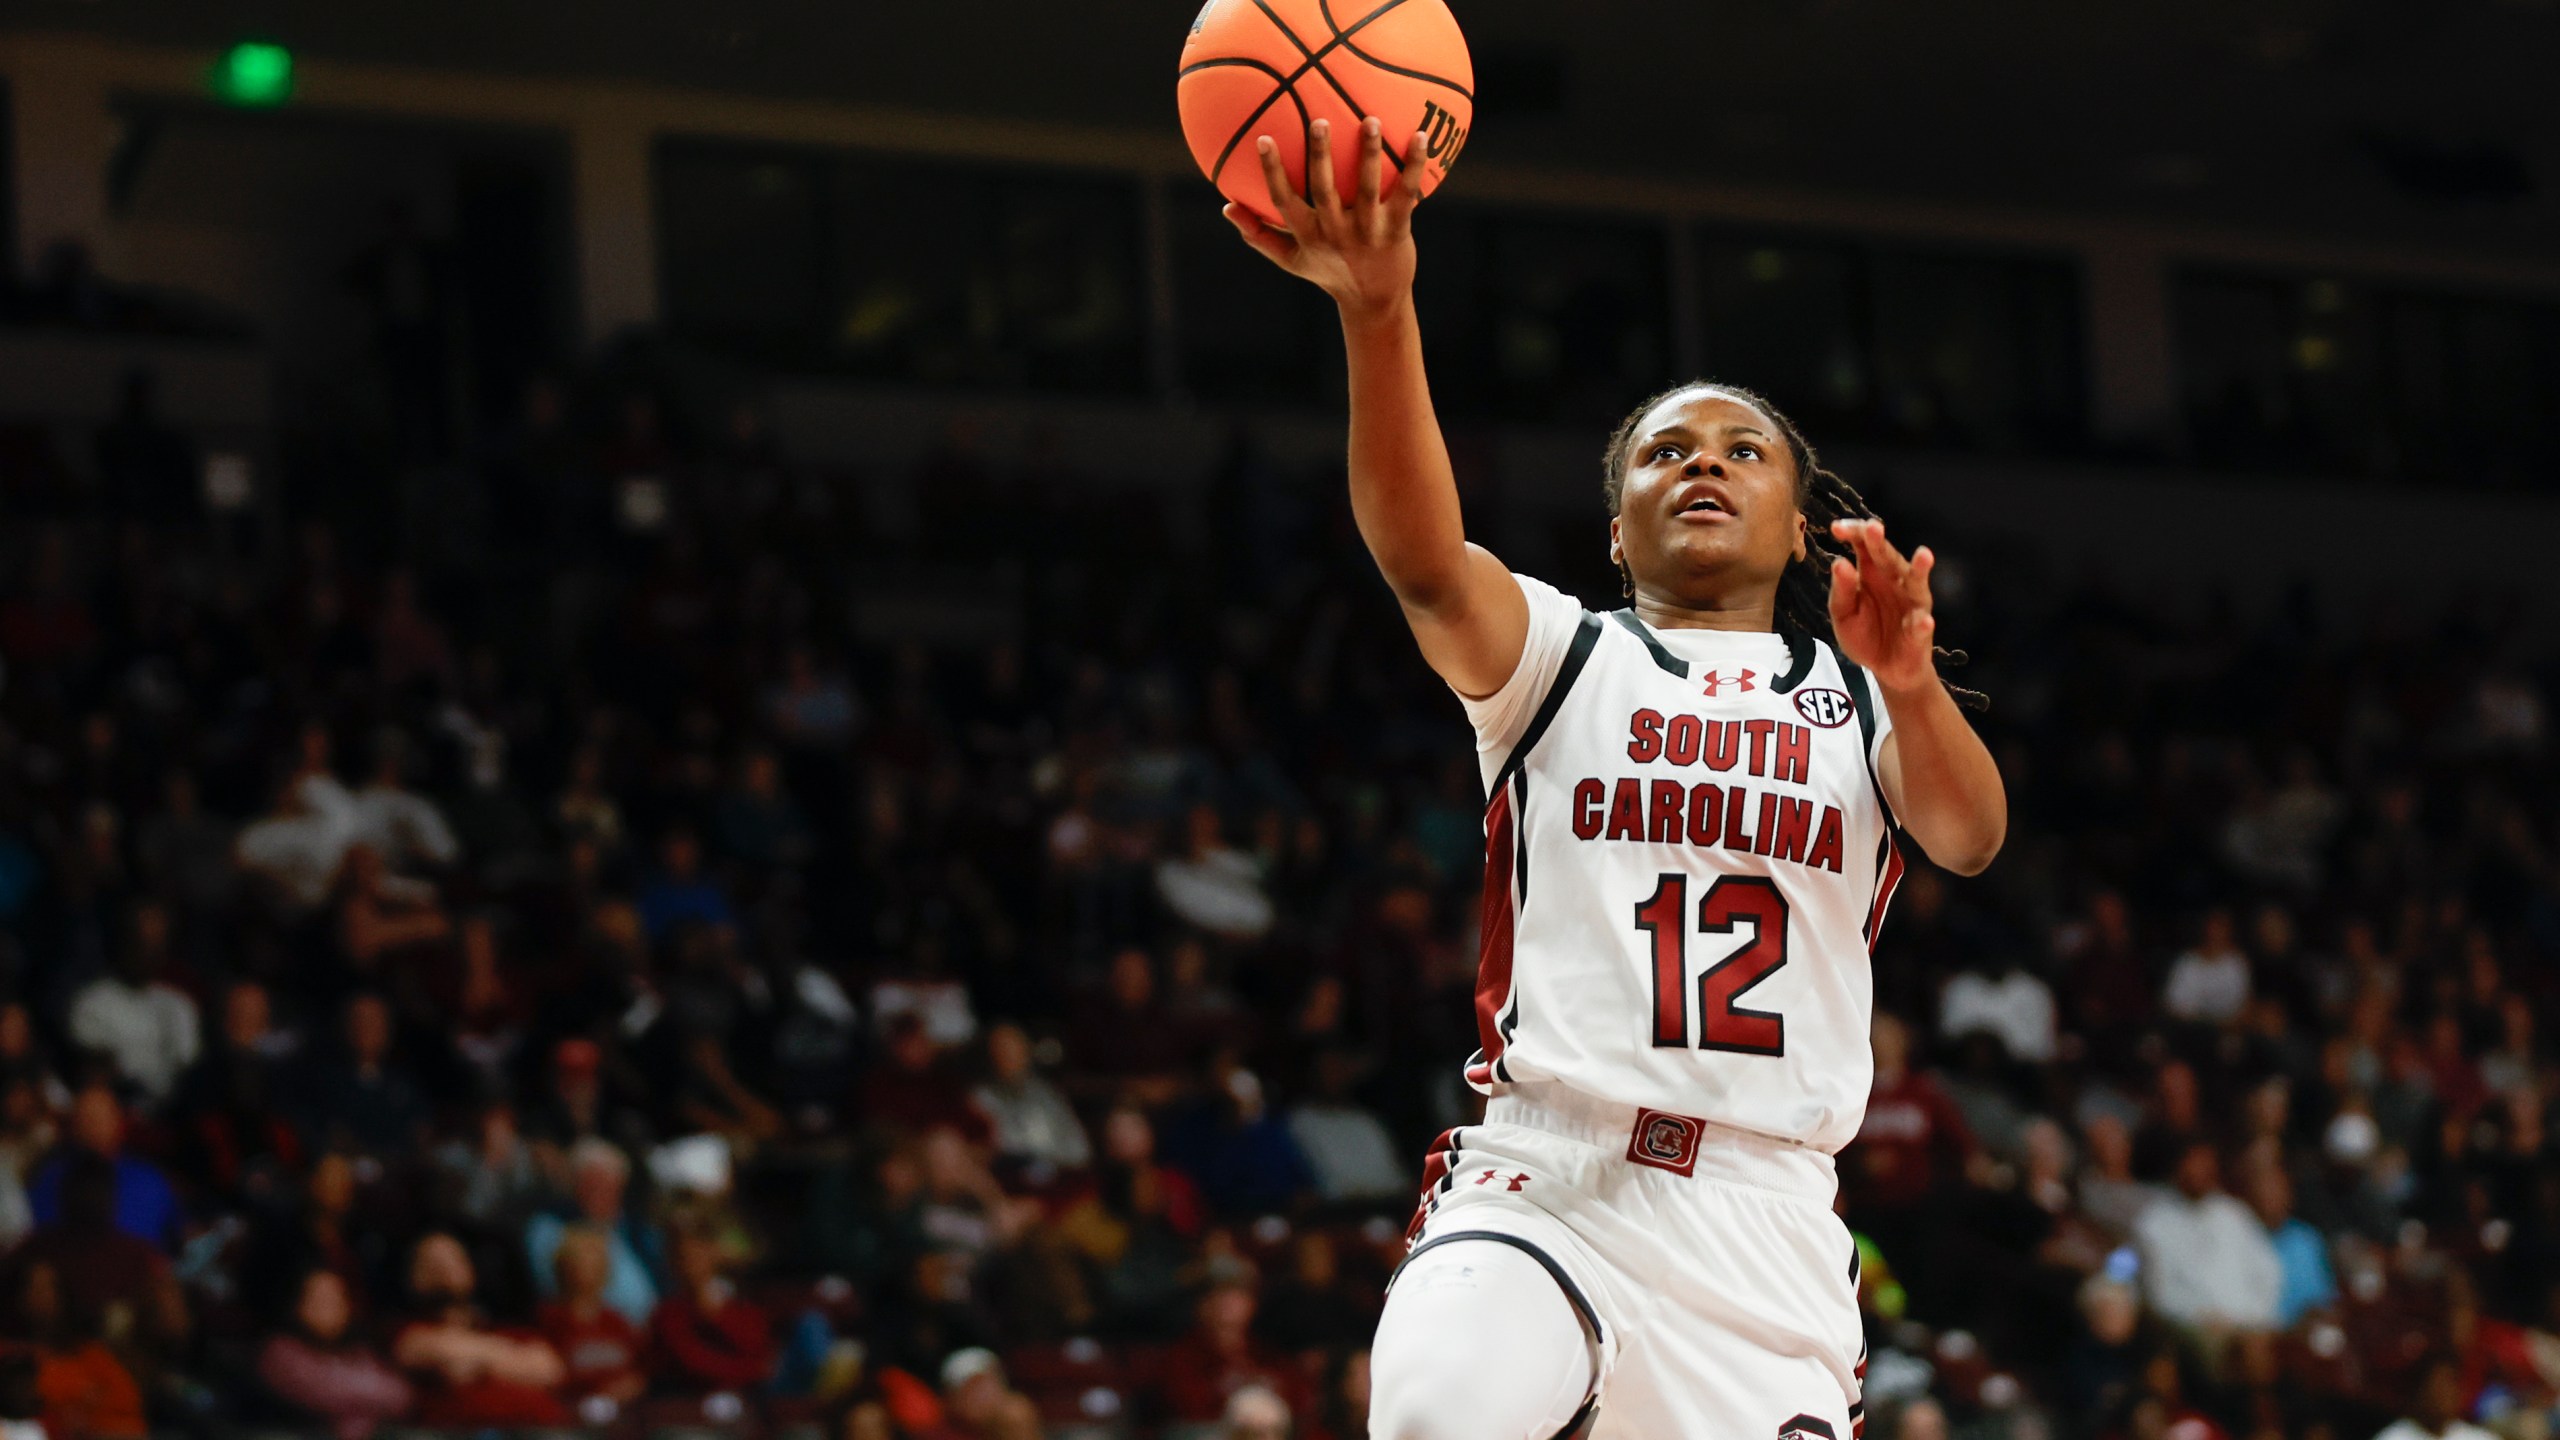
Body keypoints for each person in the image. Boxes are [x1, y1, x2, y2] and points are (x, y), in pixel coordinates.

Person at [1224, 114, 2007, 1440]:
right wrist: (1379, 308)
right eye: (1664, 451)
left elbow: (1970, 836)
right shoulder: (1562, 656)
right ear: (1616, 526)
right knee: (1437, 1417)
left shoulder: (1865, 700)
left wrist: (1918, 685)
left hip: (1762, 1227)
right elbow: (1422, 560)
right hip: (1549, 1176)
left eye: (1742, 451)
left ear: (1801, 527)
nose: (1702, 461)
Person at [391, 1232, 568, 1429]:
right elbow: (422, 1349)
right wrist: (513, 1360)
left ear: (470, 1270)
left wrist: (476, 1362)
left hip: (535, 1427)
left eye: (451, 1259)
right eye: (430, 1262)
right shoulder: (408, 1330)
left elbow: (550, 1370)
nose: (442, 1268)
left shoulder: (507, 1328)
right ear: (413, 1278)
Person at [255, 1266, 413, 1439]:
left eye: (336, 1299)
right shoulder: (280, 1351)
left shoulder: (357, 1351)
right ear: (297, 1304)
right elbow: (322, 1394)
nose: (330, 1307)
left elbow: (401, 1395)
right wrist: (369, 1401)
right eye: (319, 1299)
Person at [2371, 1355, 2496, 1440]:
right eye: (2437, 1387)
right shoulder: (2394, 1437)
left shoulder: (2479, 1437)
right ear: (2420, 1392)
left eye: (2448, 1386)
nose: (2443, 1396)